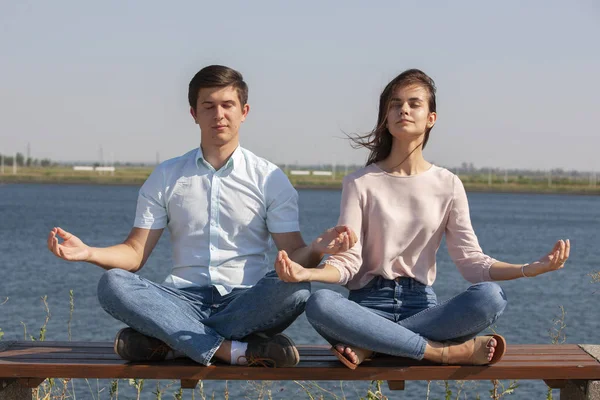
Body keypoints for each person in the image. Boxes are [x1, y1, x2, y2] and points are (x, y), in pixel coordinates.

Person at [47, 65, 356, 368]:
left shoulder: (269, 178)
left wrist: (316, 250)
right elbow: (134, 254)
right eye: (208, 106)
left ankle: (172, 344)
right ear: (194, 113)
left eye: (227, 105)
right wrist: (89, 252)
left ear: (244, 111)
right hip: (180, 299)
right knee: (113, 283)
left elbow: (292, 259)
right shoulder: (167, 175)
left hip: (245, 303)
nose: (218, 114)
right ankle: (229, 351)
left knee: (297, 289)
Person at [274, 68, 570, 369]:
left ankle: (374, 346)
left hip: (423, 309)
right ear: (386, 119)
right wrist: (306, 274)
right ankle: (439, 352)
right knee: (320, 303)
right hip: (365, 308)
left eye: (414, 103)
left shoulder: (448, 184)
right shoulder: (360, 183)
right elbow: (347, 265)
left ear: (431, 118)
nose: (403, 109)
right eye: (395, 103)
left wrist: (528, 269)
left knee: (491, 297)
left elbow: (471, 262)